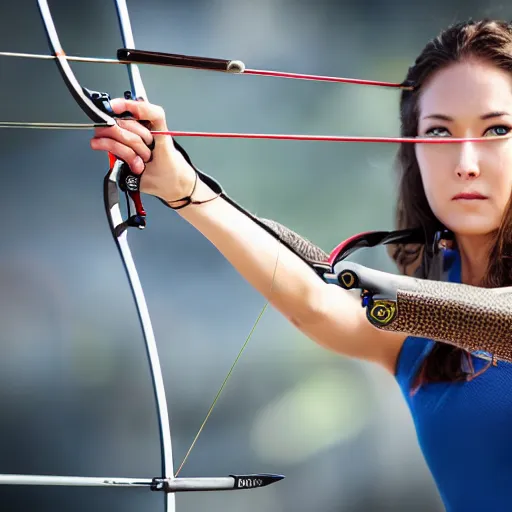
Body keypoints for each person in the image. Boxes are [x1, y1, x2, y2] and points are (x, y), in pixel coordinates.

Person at [91, 19, 512, 512]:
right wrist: (180, 185)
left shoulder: (414, 316)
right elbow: (315, 301)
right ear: (413, 150)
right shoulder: (416, 342)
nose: (465, 160)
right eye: (439, 131)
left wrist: (371, 290)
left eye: (497, 130)